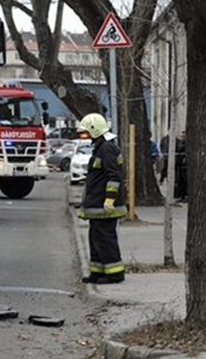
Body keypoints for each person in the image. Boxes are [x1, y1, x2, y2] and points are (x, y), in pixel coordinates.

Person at [77, 113, 126, 284]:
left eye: (86, 132)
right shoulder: (101, 147)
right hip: (97, 205)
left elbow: (114, 176)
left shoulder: (107, 149)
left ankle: (115, 274)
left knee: (105, 239)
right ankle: (97, 272)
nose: (84, 135)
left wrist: (110, 199)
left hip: (105, 206)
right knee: (96, 239)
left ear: (94, 130)